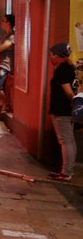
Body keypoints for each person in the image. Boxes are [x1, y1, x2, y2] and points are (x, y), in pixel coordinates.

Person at [47, 42, 78, 181]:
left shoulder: (62, 70)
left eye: (51, 54)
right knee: (69, 140)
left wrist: (74, 105)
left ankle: (66, 172)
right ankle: (68, 169)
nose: (50, 57)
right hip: (67, 110)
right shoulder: (70, 68)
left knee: (65, 141)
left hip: (62, 110)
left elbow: (69, 92)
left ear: (57, 55)